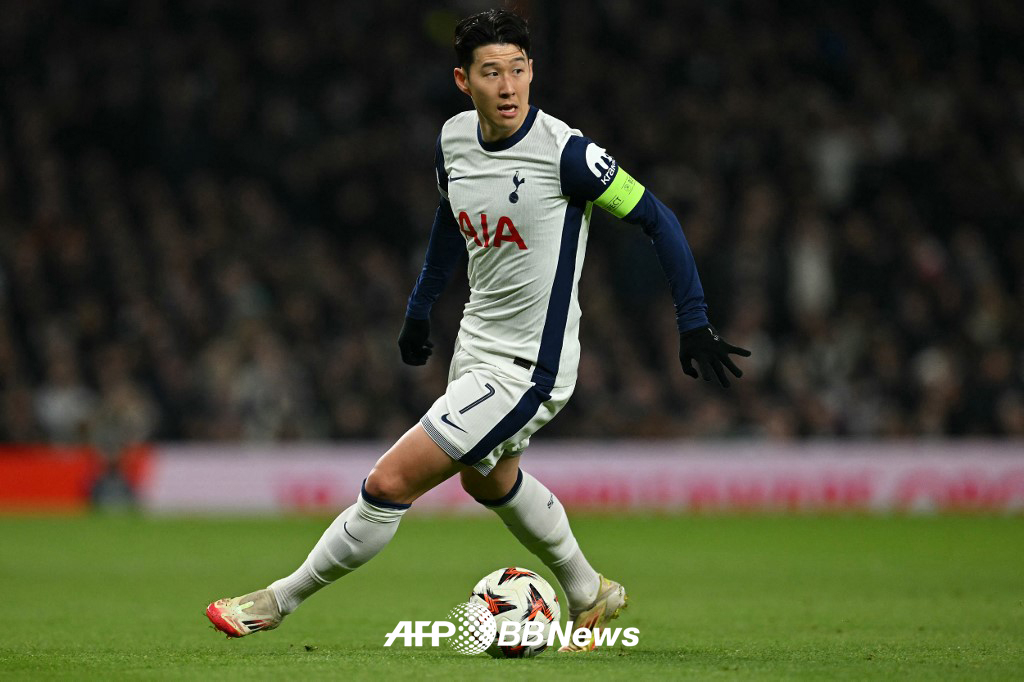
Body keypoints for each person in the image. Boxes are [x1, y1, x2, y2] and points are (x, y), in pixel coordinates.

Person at [206, 8, 750, 653]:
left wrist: (693, 320)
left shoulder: (568, 155)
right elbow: (449, 221)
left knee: (388, 483)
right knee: (488, 480)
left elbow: (659, 218)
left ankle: (277, 601)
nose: (508, 86)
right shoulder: (454, 140)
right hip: (475, 348)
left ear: (532, 72)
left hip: (530, 367)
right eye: (492, 72)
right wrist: (419, 307)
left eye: (518, 70)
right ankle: (588, 589)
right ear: (463, 81)